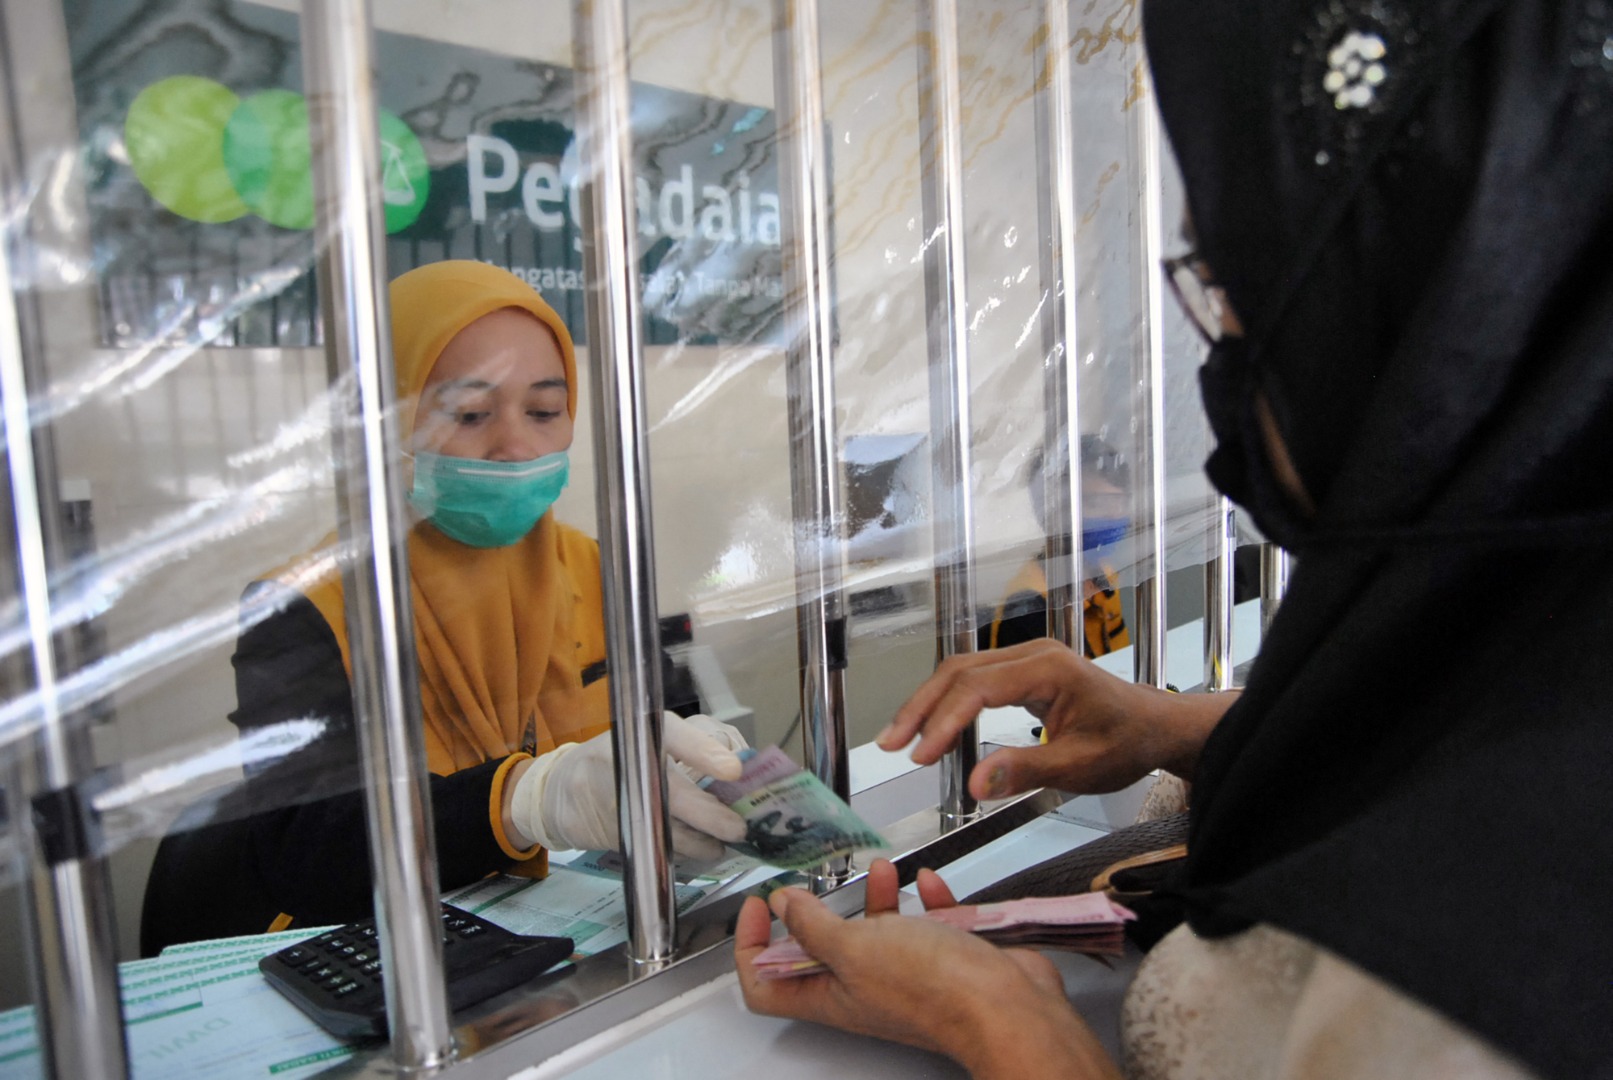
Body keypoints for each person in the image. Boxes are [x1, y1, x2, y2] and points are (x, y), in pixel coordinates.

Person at [735, 2, 1613, 1078]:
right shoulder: (1537, 621)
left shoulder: (1486, 953)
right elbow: (1444, 732)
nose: (1222, 367)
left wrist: (1001, 1026)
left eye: (1231, 290)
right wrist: (1181, 727)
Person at [142, 261, 745, 950]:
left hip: (582, 933)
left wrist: (706, 765)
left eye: (544, 412)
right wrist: (525, 801)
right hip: (390, 950)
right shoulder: (308, 609)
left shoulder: (594, 567)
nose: (515, 447)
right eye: (469, 415)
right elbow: (307, 853)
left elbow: (668, 718)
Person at [981, 435, 1130, 657]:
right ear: (1055, 513)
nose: (1115, 515)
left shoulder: (1103, 575)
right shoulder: (1028, 608)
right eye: (1097, 503)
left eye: (1121, 502)